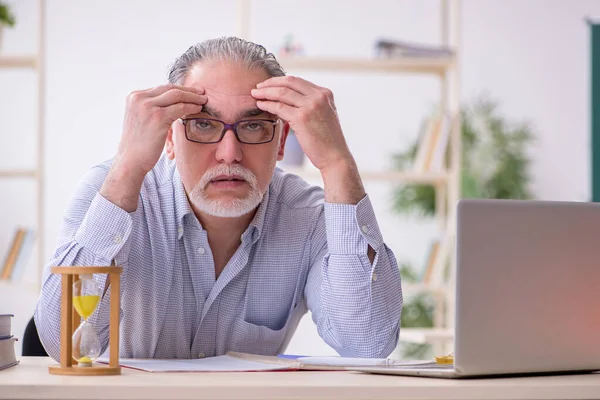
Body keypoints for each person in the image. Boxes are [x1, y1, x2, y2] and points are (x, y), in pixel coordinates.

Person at [34, 36, 403, 361]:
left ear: (281, 141)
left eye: (254, 125)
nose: (229, 153)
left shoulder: (307, 217)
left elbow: (367, 343)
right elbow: (61, 343)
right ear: (169, 138)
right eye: (204, 124)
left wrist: (338, 164)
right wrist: (126, 171)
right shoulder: (111, 190)